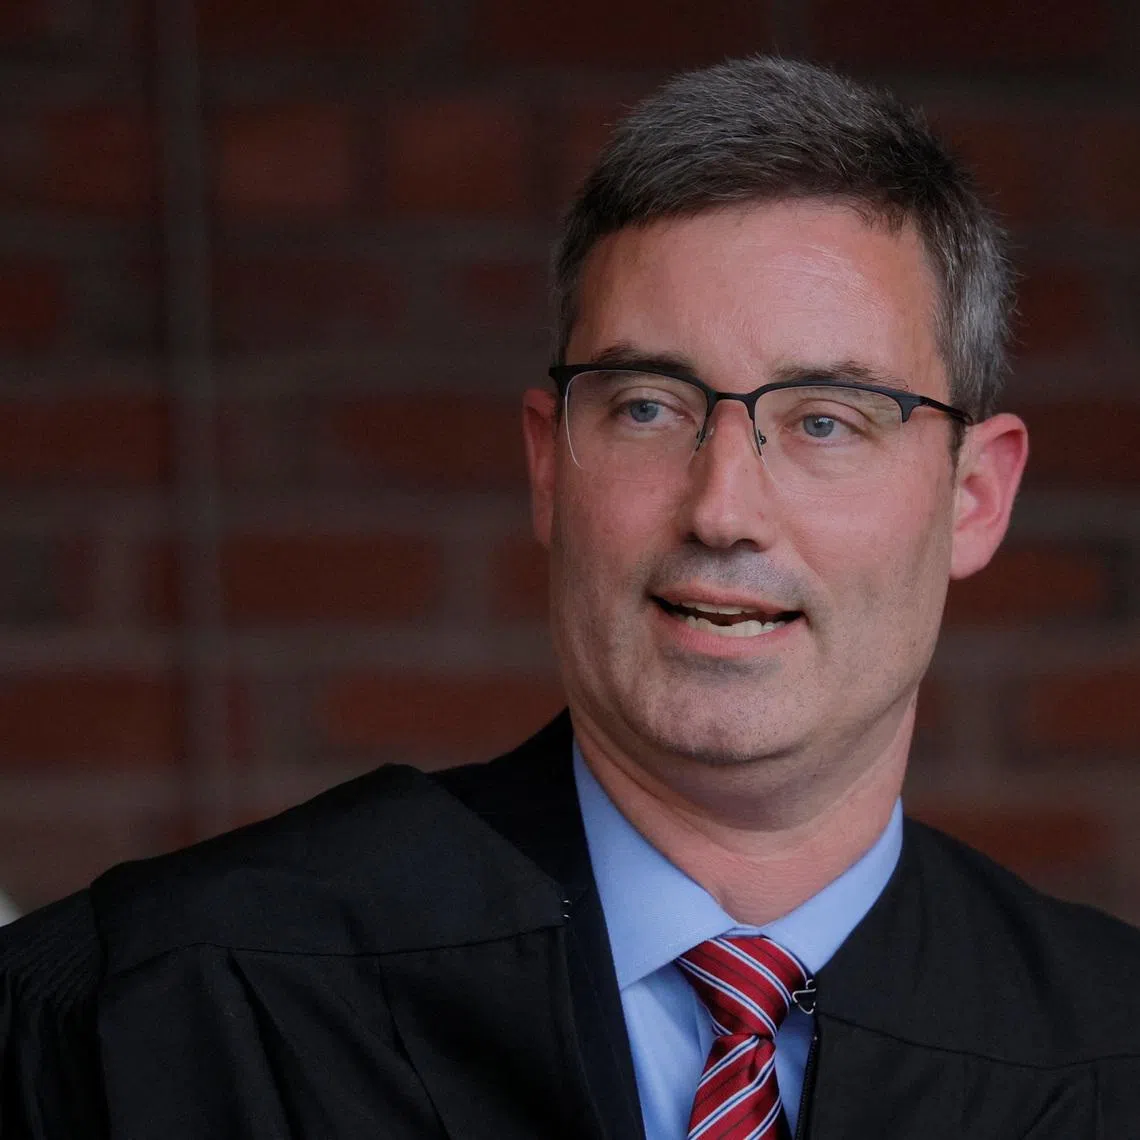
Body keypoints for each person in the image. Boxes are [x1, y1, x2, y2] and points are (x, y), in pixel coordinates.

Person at [2, 55, 1138, 1139]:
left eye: (825, 420)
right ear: (550, 465)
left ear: (975, 498)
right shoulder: (173, 1012)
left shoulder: (1111, 1059)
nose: (722, 508)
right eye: (647, 405)